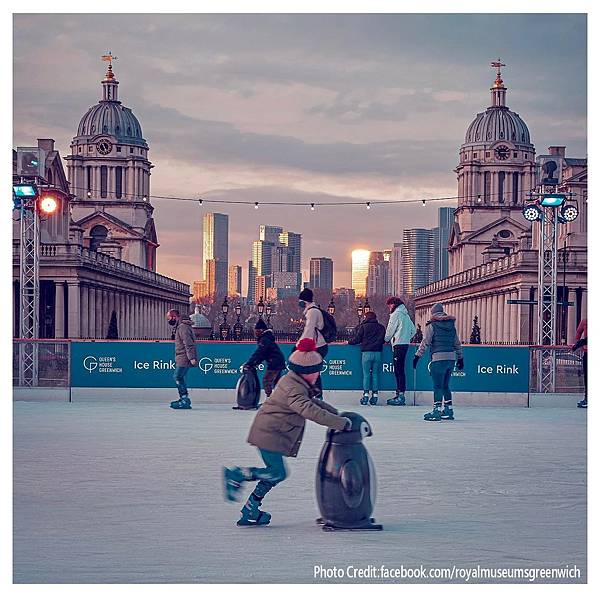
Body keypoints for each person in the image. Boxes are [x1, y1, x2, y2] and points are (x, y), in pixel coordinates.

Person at [223, 338, 351, 526]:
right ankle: (238, 475)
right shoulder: (294, 388)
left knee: (274, 473)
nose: (318, 374)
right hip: (270, 434)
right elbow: (310, 411)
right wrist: (340, 423)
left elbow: (314, 404)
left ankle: (251, 508)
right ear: (306, 372)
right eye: (316, 371)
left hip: (272, 433)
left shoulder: (296, 383)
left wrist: (336, 414)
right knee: (277, 473)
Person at [413, 303, 463, 421]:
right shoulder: (452, 326)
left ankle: (436, 411)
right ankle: (448, 410)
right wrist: (460, 358)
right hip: (451, 359)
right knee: (445, 385)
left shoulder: (432, 325)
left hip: (438, 358)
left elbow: (426, 342)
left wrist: (417, 356)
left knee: (437, 386)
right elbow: (457, 343)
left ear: (433, 313)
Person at [296, 288, 329, 399]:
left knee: (313, 370)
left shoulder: (312, 312)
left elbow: (309, 330)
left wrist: (299, 345)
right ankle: (315, 393)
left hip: (318, 346)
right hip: (318, 345)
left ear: (305, 301)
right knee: (313, 369)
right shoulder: (311, 311)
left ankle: (316, 394)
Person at [348, 311, 386, 405]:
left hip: (366, 353)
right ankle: (375, 396)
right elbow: (383, 339)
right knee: (375, 374)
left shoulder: (363, 327)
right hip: (377, 353)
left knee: (366, 375)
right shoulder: (381, 327)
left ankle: (365, 395)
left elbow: (357, 339)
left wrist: (349, 342)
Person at [384, 297, 416, 406]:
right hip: (404, 344)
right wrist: (406, 337)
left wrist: (387, 339)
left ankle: (400, 395)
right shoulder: (406, 315)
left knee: (398, 370)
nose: (389, 308)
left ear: (394, 304)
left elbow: (390, 330)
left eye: (390, 305)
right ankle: (400, 393)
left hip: (398, 344)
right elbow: (413, 330)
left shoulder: (396, 315)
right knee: (400, 370)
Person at [243, 319, 286, 397]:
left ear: (261, 330)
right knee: (277, 383)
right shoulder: (266, 338)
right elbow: (262, 355)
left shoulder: (264, 339)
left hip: (274, 363)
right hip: (277, 362)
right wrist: (253, 363)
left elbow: (259, 353)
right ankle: (279, 400)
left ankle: (270, 399)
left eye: (256, 331)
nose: (255, 333)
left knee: (267, 381)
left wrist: (249, 363)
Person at [166, 309, 198, 409]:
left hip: (184, 357)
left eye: (169, 318)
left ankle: (184, 399)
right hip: (182, 356)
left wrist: (192, 357)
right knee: (179, 377)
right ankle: (184, 398)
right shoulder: (181, 327)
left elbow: (188, 343)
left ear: (174, 317)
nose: (169, 320)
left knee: (177, 376)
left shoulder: (183, 327)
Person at [572, 318, 587, 408]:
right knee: (587, 377)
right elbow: (578, 332)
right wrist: (578, 342)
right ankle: (587, 398)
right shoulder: (585, 321)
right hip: (587, 352)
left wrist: (579, 344)